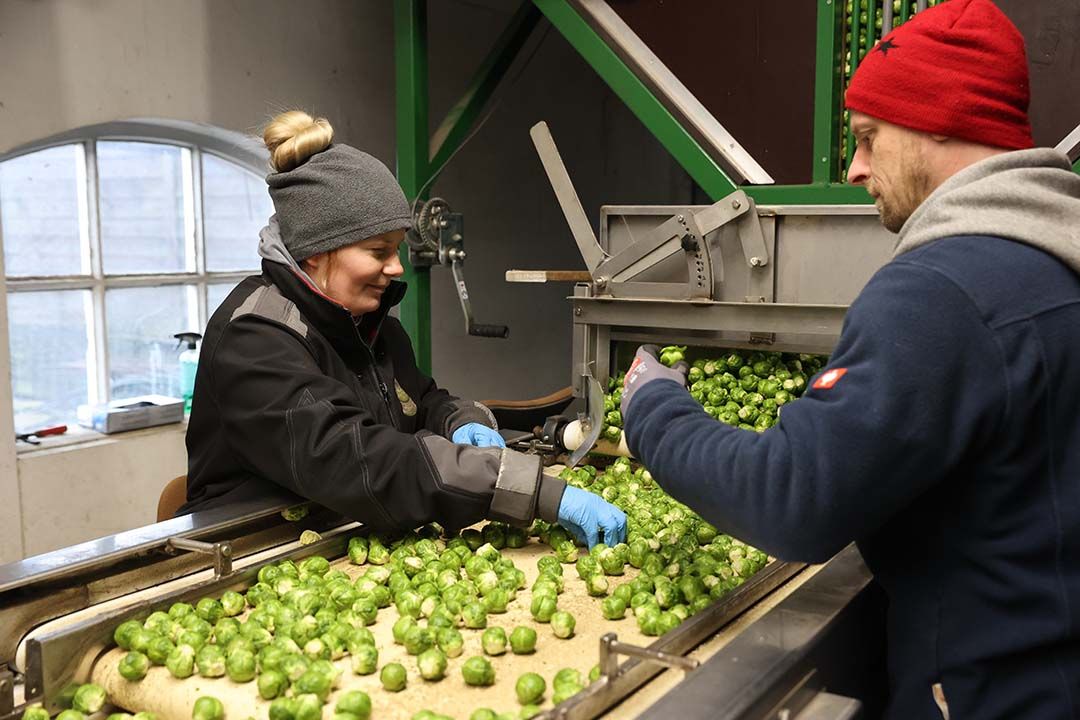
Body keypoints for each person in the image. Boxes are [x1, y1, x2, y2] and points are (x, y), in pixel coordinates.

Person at [620, 1, 1080, 718]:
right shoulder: (1055, 262)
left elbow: (791, 498)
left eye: (868, 137)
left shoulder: (942, 290)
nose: (854, 168)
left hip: (990, 692)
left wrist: (652, 407)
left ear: (938, 120)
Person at [180, 110, 626, 548]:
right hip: (247, 550)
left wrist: (460, 421)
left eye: (395, 249)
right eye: (378, 251)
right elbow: (358, 458)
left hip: (341, 534)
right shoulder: (255, 338)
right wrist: (533, 490)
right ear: (315, 251)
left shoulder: (368, 324)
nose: (395, 267)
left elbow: (422, 401)